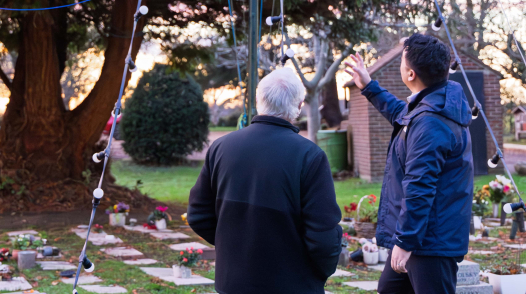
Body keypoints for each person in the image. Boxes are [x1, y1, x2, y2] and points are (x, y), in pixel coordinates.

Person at [187, 66, 343, 294]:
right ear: (299, 106)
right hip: (291, 284)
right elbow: (323, 235)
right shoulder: (310, 156)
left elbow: (198, 215)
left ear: (259, 102)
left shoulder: (221, 147)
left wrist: (235, 248)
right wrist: (319, 271)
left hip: (232, 283)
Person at [344, 34, 474, 294]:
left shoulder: (431, 122)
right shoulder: (430, 106)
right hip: (416, 238)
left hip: (429, 244)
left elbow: (420, 185)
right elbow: (399, 113)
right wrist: (368, 86)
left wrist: (404, 242)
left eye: (402, 63)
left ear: (411, 74)